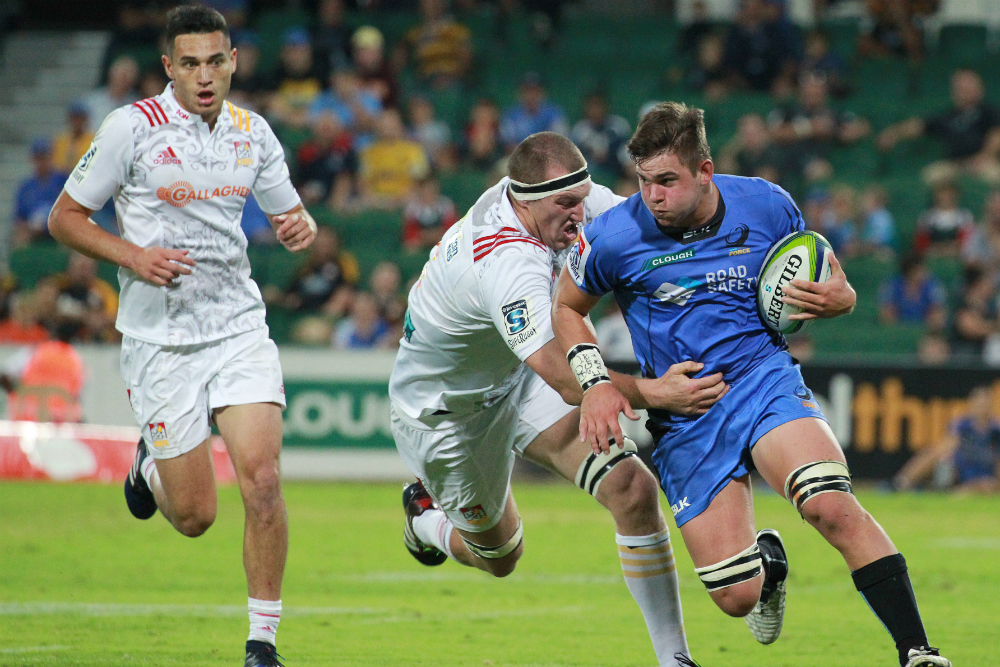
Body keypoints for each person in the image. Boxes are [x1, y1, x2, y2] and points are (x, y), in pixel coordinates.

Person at [552, 102, 952, 667]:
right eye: (644, 182)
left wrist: (845, 299)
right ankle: (768, 568)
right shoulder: (614, 236)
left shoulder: (767, 204)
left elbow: (820, 276)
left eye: (667, 180)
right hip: (685, 413)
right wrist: (595, 383)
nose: (653, 196)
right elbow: (567, 307)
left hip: (761, 378)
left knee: (829, 504)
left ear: (706, 172)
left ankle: (919, 652)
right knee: (736, 598)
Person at [390, 131, 730, 667]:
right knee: (501, 555)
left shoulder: (563, 195)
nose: (579, 215)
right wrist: (655, 392)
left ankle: (674, 659)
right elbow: (570, 379)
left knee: (632, 488)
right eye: (565, 206)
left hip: (518, 379)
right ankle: (425, 523)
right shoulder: (504, 261)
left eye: (582, 199)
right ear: (524, 201)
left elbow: (650, 234)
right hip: (452, 414)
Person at [46, 7, 317, 667]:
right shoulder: (129, 129)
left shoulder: (253, 133)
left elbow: (290, 212)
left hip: (237, 328)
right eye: (189, 63)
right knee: (196, 515)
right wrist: (133, 256)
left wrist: (296, 227)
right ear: (169, 66)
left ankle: (262, 643)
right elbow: (64, 217)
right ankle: (148, 464)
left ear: (232, 62)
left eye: (215, 61)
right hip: (160, 339)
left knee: (263, 477)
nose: (204, 75)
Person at [877, 69, 1000, 186]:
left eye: (968, 87)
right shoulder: (947, 115)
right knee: (930, 176)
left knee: (996, 176)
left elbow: (996, 134)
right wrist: (894, 133)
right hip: (953, 164)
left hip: (983, 162)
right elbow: (919, 126)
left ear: (980, 89)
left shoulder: (989, 112)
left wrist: (985, 156)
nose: (963, 91)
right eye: (959, 88)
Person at [894, 386, 1000, 493]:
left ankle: (955, 490)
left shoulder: (996, 429)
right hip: (960, 471)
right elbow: (948, 445)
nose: (982, 406)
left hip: (986, 476)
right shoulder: (962, 425)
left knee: (986, 485)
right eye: (979, 403)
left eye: (985, 403)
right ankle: (901, 483)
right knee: (933, 452)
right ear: (972, 403)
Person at [13, 137, 67, 247]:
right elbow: (19, 218)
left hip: (58, 229)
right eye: (38, 158)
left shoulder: (62, 181)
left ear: (51, 157)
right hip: (33, 231)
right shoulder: (26, 187)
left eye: (44, 157)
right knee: (19, 237)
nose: (41, 162)